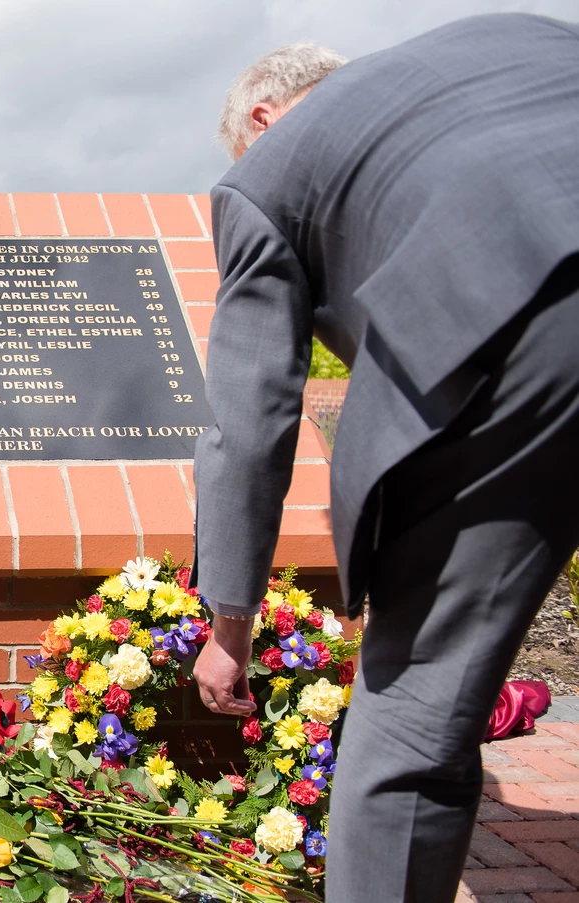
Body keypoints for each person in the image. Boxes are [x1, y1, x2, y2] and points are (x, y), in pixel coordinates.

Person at [188, 14, 579, 903]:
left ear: (261, 115)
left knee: (409, 722)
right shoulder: (504, 34)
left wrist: (230, 627)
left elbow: (249, 424)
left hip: (523, 319)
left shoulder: (264, 174)